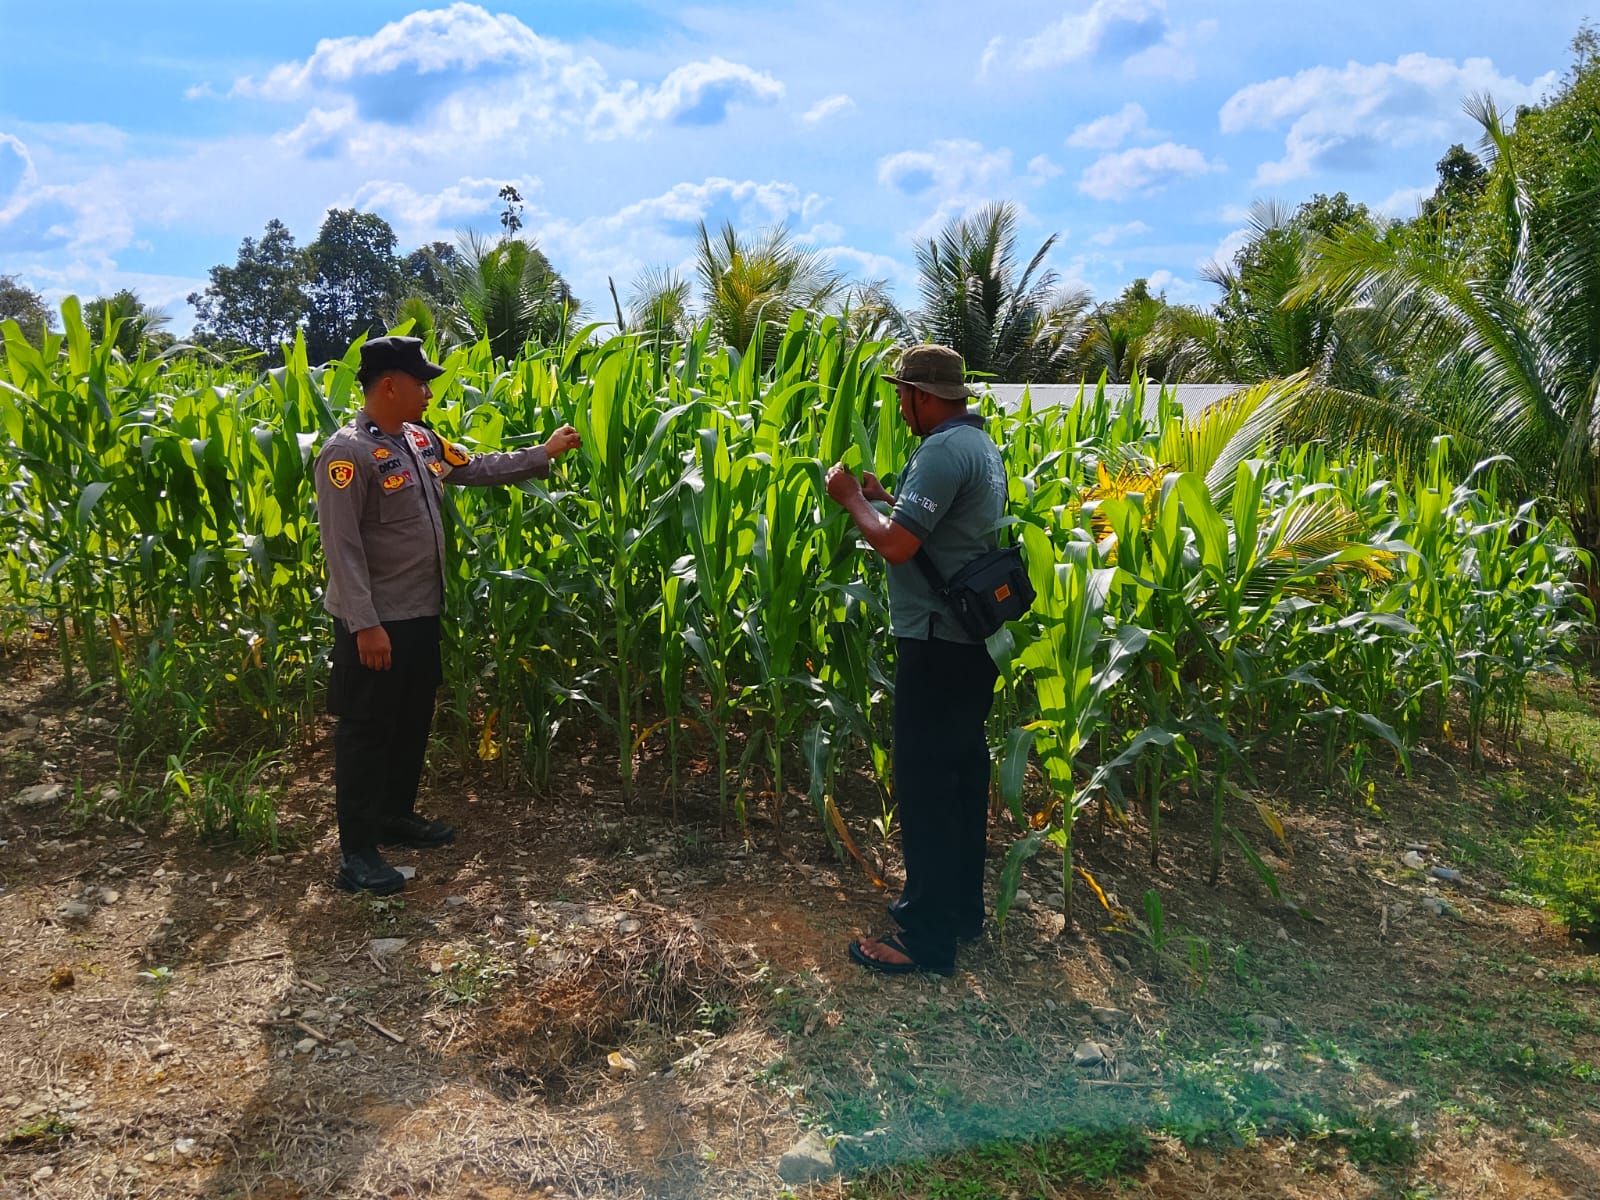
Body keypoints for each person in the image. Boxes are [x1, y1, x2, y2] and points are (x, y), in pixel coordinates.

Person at [313, 335, 581, 895]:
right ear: (389, 385)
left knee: (411, 719)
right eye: (421, 382)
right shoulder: (348, 453)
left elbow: (477, 466)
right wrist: (364, 625)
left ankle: (394, 816)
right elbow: (343, 547)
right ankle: (357, 853)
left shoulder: (420, 440)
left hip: (419, 612)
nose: (429, 392)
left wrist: (544, 453)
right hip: (375, 622)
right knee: (366, 732)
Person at [825, 344, 1009, 976]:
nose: (899, 403)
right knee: (960, 783)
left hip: (933, 639)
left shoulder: (940, 450)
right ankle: (960, 915)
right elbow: (939, 524)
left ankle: (925, 940)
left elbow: (899, 545)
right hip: (970, 643)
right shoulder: (981, 447)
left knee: (928, 788)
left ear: (921, 396)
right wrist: (886, 494)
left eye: (902, 393)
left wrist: (851, 498)